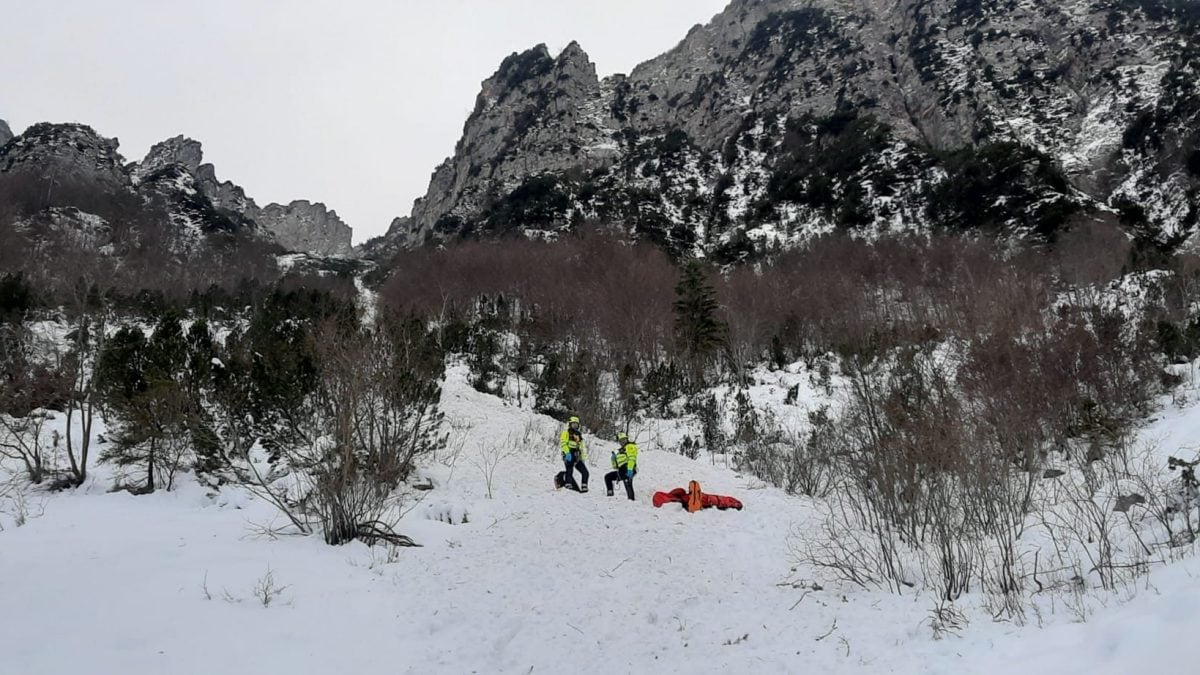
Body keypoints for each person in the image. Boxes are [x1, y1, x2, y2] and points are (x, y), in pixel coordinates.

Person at [558, 415, 589, 492]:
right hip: (569, 454)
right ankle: (568, 484)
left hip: (577, 456)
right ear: (570, 424)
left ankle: (584, 486)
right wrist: (567, 453)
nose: (575, 426)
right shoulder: (566, 433)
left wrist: (582, 458)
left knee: (585, 472)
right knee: (570, 470)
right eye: (573, 424)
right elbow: (563, 444)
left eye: (576, 425)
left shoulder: (579, 436)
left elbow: (581, 448)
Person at [605, 432, 638, 500]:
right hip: (621, 470)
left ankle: (631, 500)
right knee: (608, 477)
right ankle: (610, 494)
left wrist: (630, 469)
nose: (622, 442)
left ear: (627, 439)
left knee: (627, 483)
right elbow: (615, 467)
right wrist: (613, 459)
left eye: (624, 440)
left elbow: (632, 458)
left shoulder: (630, 446)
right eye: (621, 441)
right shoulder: (620, 451)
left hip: (628, 468)